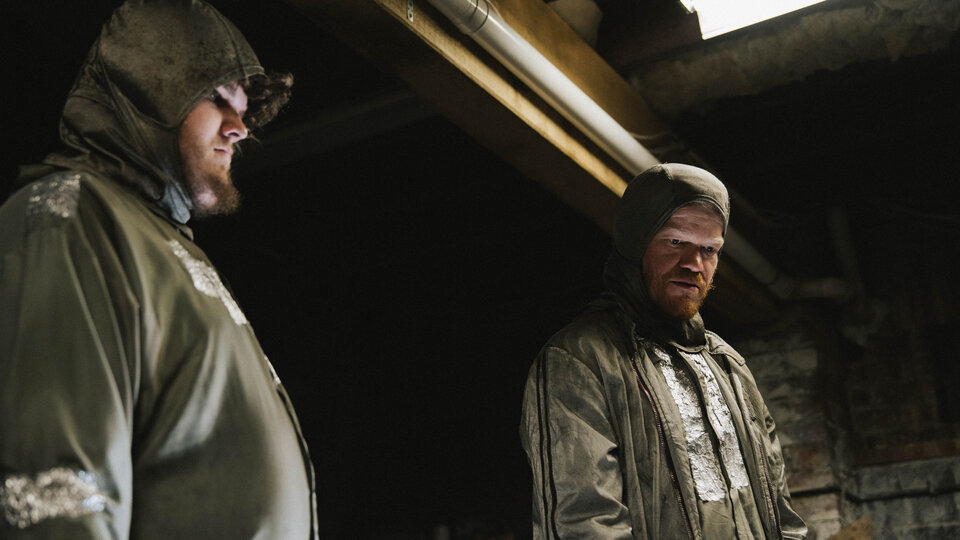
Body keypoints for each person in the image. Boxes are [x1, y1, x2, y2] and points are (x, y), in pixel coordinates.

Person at [0, 1, 316, 538]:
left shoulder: (162, 245)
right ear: (144, 92)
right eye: (218, 99)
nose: (240, 129)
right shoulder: (72, 216)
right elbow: (59, 490)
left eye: (243, 110)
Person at [520, 163, 807, 539]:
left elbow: (783, 515)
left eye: (709, 249)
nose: (694, 264)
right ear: (635, 243)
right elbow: (584, 525)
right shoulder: (579, 359)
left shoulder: (728, 364)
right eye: (675, 242)